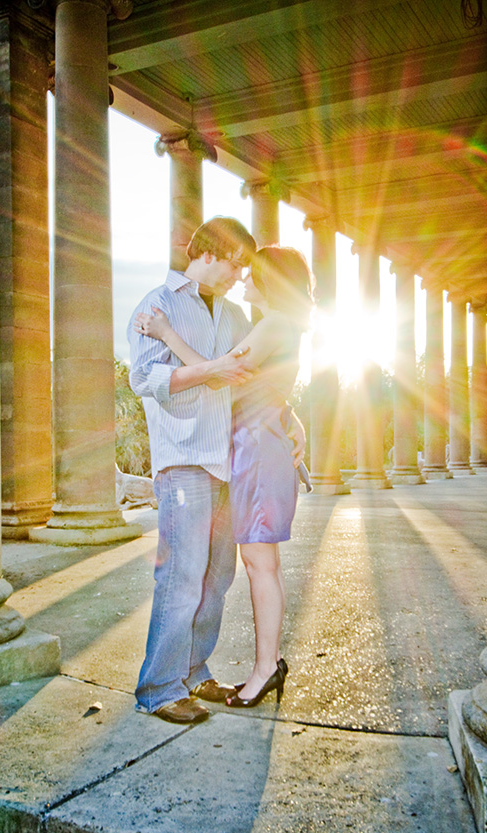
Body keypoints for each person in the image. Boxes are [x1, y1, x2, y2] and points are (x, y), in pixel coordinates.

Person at [127, 218, 305, 725]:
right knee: (181, 575)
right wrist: (208, 370)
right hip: (183, 457)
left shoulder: (233, 314)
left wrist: (290, 420)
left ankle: (194, 670)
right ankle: (159, 688)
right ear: (211, 252)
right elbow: (144, 377)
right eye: (236, 263)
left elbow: (256, 378)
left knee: (216, 576)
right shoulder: (156, 306)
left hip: (231, 462)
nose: (240, 274)